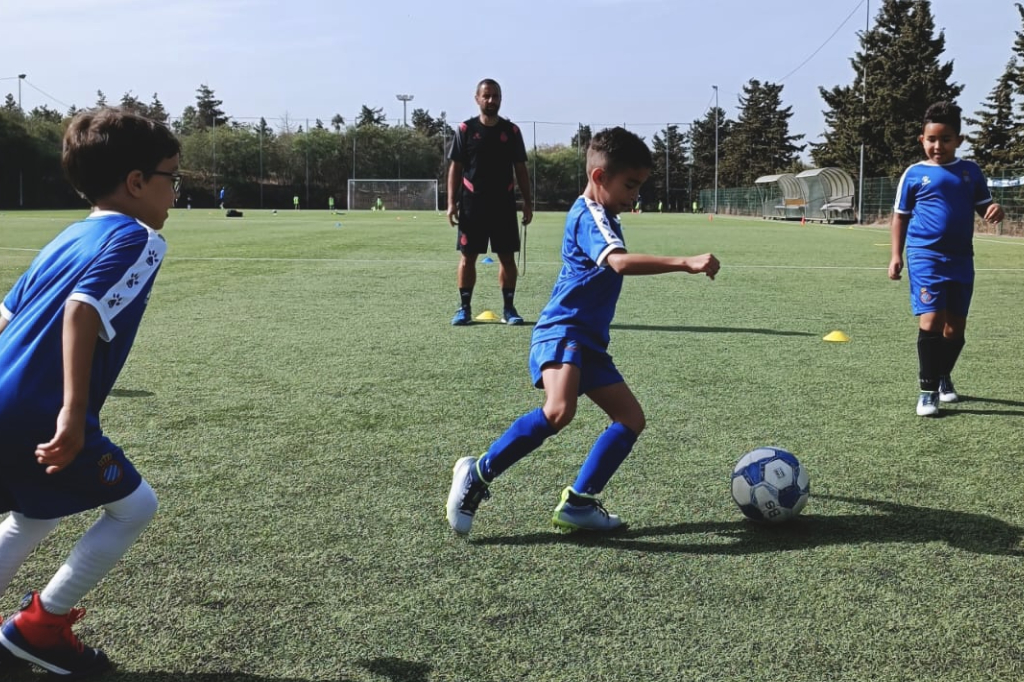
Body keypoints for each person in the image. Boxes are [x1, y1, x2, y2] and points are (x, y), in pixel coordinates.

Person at [446, 127, 719, 535]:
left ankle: (579, 503)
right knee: (559, 411)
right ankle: (477, 473)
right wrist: (686, 262)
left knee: (630, 418)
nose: (635, 195)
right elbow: (620, 263)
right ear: (598, 178)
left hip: (588, 340)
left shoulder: (605, 214)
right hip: (563, 329)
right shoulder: (589, 214)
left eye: (639, 186)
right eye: (629, 185)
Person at [0, 107, 179, 676]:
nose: (175, 192)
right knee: (135, 508)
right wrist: (72, 414)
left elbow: (4, 316)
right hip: (41, 411)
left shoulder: (69, 234)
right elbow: (82, 310)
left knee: (35, 512)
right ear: (136, 182)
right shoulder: (140, 238)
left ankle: (33, 633)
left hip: (5, 400)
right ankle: (40, 629)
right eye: (171, 177)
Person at [889, 101, 1004, 417]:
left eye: (946, 139)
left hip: (961, 258)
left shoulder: (970, 172)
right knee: (932, 320)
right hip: (925, 255)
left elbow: (986, 208)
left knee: (956, 329)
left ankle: (942, 375)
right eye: (931, 140)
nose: (938, 146)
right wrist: (896, 255)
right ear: (921, 140)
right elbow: (900, 217)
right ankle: (927, 392)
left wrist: (995, 211)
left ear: (959, 140)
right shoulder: (915, 174)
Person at [447, 78, 533, 326]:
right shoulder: (465, 130)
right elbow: (456, 168)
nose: (491, 100)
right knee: (468, 257)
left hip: (503, 205)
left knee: (506, 258)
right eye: (486, 96)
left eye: (495, 96)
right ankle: (464, 308)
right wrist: (452, 203)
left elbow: (521, 169)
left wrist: (527, 202)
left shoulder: (511, 131)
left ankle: (509, 308)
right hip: (472, 206)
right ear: (477, 99)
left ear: (500, 99)